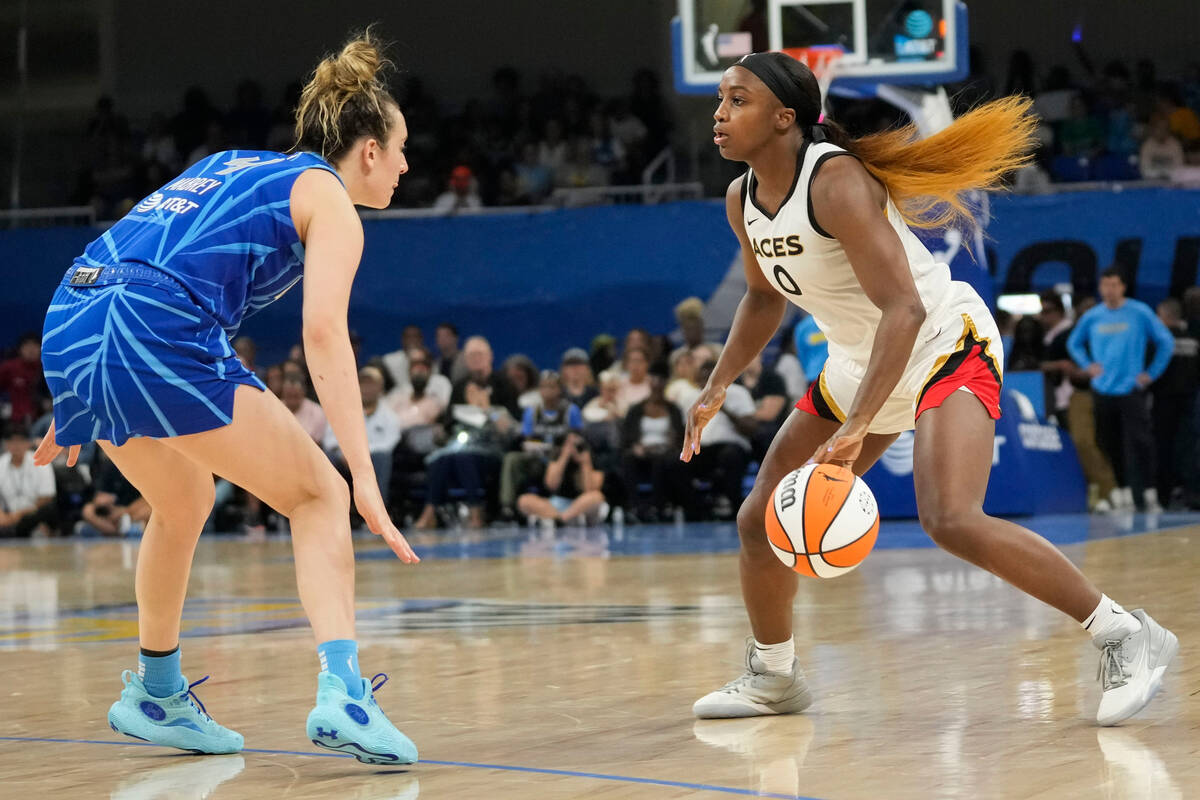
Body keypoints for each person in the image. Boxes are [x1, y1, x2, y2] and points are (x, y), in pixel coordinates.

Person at [683, 52, 1176, 727]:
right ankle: (773, 677)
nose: (719, 113)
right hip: (862, 357)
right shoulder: (742, 198)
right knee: (758, 521)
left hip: (944, 338)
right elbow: (765, 300)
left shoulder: (835, 182)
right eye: (719, 99)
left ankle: (1125, 633)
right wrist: (715, 385)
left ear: (783, 118)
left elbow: (906, 310)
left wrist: (857, 425)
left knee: (950, 517)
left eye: (737, 100)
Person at [34, 31, 419, 763]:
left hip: (74, 315)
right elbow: (325, 335)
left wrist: (78, 384)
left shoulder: (227, 164)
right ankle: (344, 694)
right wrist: (362, 475)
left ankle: (156, 690)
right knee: (320, 498)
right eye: (400, 147)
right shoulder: (329, 198)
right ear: (367, 149)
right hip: (154, 325)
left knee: (183, 501)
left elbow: (131, 252)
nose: (405, 164)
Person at [1068, 267, 1175, 512]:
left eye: (1114, 285)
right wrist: (1088, 366)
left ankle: (1149, 493)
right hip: (1103, 389)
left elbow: (1165, 341)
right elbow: (1074, 343)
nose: (1109, 290)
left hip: (1131, 388)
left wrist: (1151, 374)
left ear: (1123, 287)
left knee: (1141, 441)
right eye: (1105, 285)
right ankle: (1124, 492)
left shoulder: (1139, 312)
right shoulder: (1093, 316)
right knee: (1108, 441)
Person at [517, 430, 607, 527]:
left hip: (579, 506)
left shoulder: (591, 461)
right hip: (555, 505)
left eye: (576, 445)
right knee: (524, 500)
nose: (573, 449)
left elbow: (589, 489)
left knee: (596, 497)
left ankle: (561, 519)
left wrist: (585, 463)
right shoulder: (557, 460)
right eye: (568, 444)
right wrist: (564, 456)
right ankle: (560, 518)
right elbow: (551, 485)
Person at [0, 424, 58, 537]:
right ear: (6, 444)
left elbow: (47, 497)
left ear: (28, 443)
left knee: (47, 511)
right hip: (8, 515)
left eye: (20, 441)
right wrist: (3, 516)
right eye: (11, 441)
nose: (16, 445)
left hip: (34, 512)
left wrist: (18, 515)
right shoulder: (1, 463)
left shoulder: (41, 460)